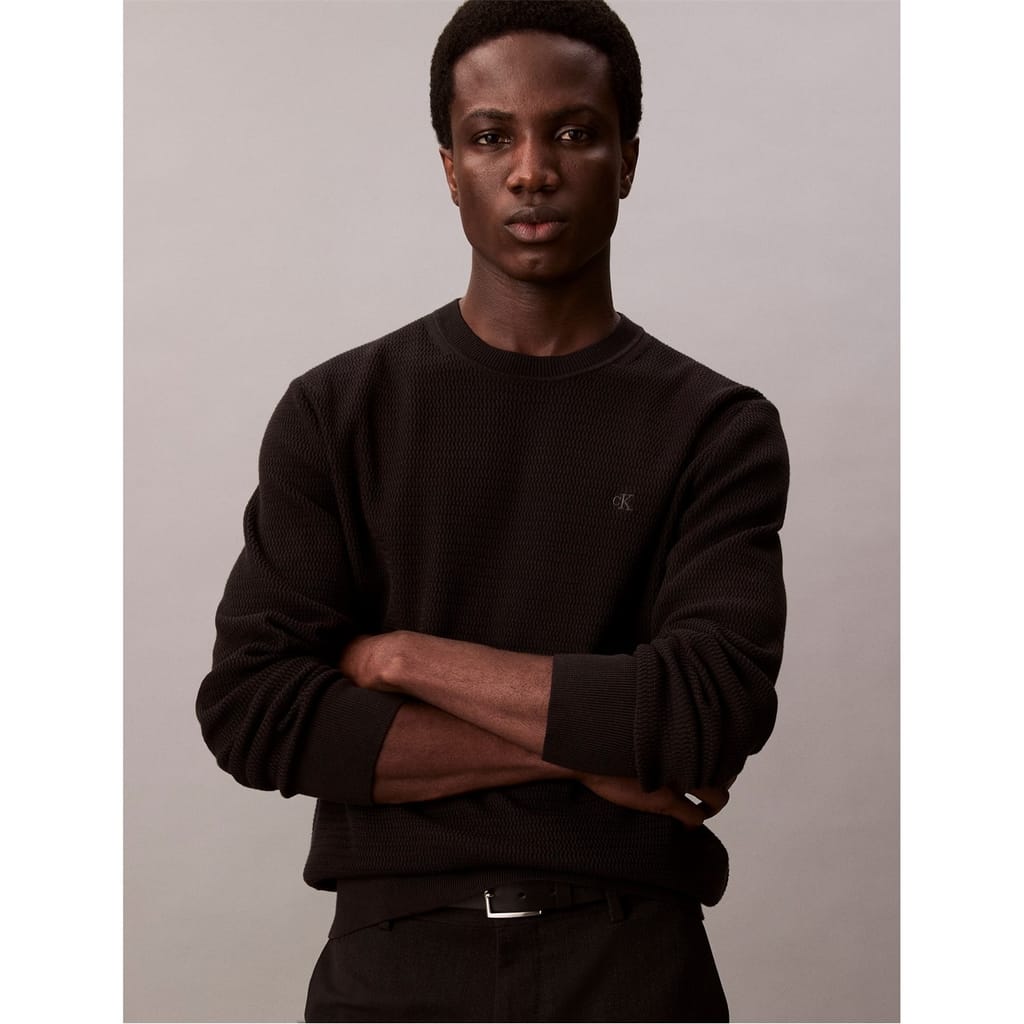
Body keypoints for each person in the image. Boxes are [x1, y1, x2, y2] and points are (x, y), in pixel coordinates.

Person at [197, 1, 789, 1020]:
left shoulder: (714, 427)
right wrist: (594, 753)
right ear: (449, 167)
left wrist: (401, 658)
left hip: (632, 969)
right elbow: (256, 710)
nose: (531, 171)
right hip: (392, 968)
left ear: (626, 160)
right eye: (490, 136)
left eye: (573, 132)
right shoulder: (337, 412)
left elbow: (707, 710)